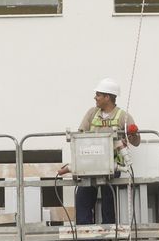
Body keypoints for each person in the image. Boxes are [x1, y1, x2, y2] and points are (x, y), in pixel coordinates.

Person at [58, 78, 141, 225]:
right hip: (90, 164)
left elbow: (136, 142)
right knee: (83, 198)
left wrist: (132, 134)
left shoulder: (123, 116)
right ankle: (84, 234)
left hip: (112, 166)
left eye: (98, 95)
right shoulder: (92, 113)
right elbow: (80, 136)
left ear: (107, 97)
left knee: (109, 201)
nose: (95, 98)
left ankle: (108, 234)